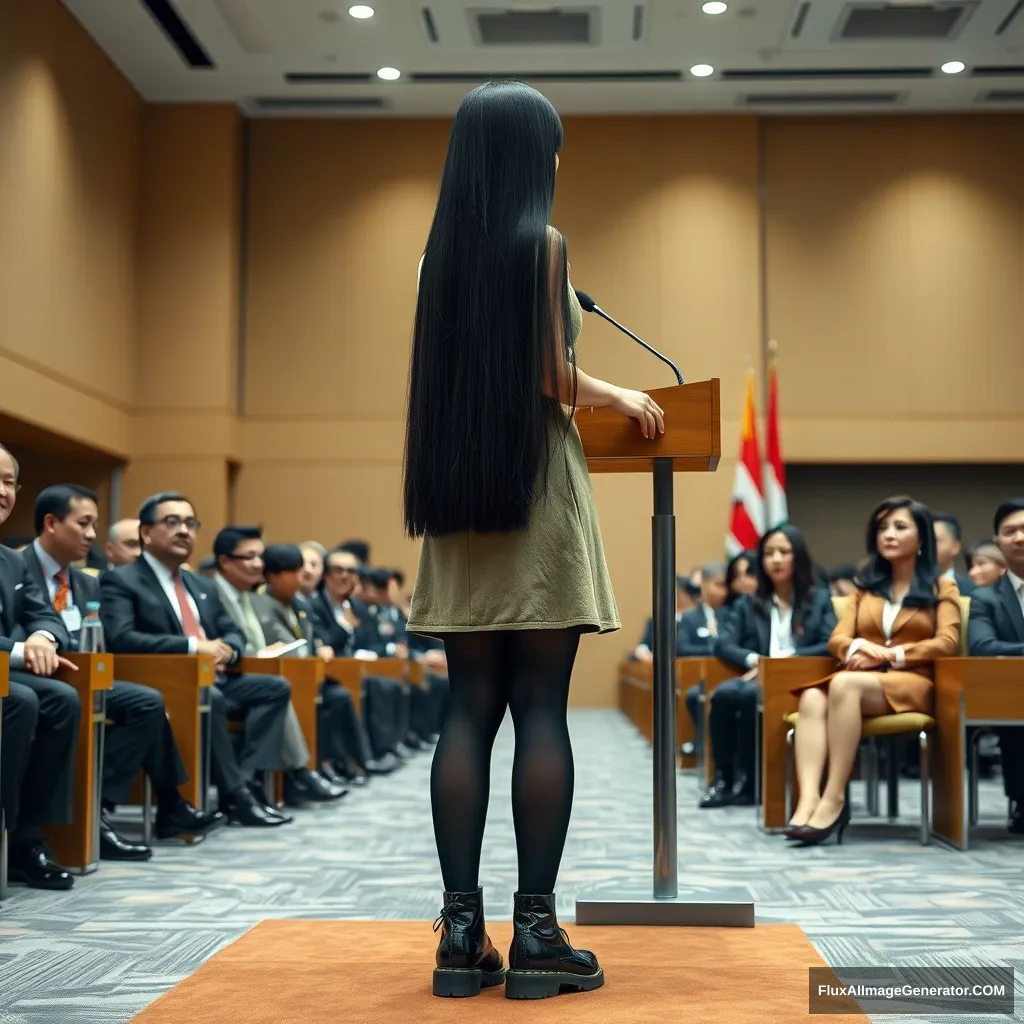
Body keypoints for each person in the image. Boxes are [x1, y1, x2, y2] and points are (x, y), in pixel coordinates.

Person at [403, 81, 664, 1001]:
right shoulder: (542, 244)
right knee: (541, 712)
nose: (557, 163)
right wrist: (622, 395)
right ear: (525, 156)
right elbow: (554, 377)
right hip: (537, 499)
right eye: (551, 148)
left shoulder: (440, 259)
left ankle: (459, 934)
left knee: (466, 710)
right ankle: (540, 935)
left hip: (461, 505)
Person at [27, 484, 222, 858]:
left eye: (94, 525)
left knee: (149, 701)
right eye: (84, 524)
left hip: (83, 673)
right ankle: (114, 811)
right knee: (147, 702)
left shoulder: (85, 581)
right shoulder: (22, 567)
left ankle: (151, 807)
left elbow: (99, 638)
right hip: (40, 672)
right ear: (51, 523)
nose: (92, 535)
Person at [787, 497, 961, 846]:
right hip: (860, 680)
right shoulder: (865, 588)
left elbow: (947, 642)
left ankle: (835, 797)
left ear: (922, 537)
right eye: (882, 528)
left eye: (900, 527)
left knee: (844, 685)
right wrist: (857, 647)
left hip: (913, 683)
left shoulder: (942, 586)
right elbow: (838, 638)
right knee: (810, 696)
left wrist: (892, 654)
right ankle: (808, 800)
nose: (889, 535)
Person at [702, 526, 836, 808]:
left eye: (783, 552)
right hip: (757, 673)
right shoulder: (749, 602)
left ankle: (752, 781)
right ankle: (724, 777)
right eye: (769, 553)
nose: (776, 559)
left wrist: (783, 661)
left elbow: (829, 643)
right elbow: (723, 644)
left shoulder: (819, 598)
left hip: (801, 680)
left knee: (752, 696)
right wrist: (755, 660)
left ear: (797, 557)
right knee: (724, 694)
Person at [0, 445, 81, 890]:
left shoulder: (11, 558)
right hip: (7, 673)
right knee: (22, 698)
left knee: (63, 698)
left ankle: (27, 839)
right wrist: (20, 650)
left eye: (9, 482)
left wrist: (42, 638)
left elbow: (46, 614)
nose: (2, 491)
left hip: (4, 669)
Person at [966, 499, 1024, 835]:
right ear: (998, 542)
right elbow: (982, 648)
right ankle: (1022, 799)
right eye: (1010, 531)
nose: (1019, 537)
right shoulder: (984, 598)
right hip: (1010, 694)